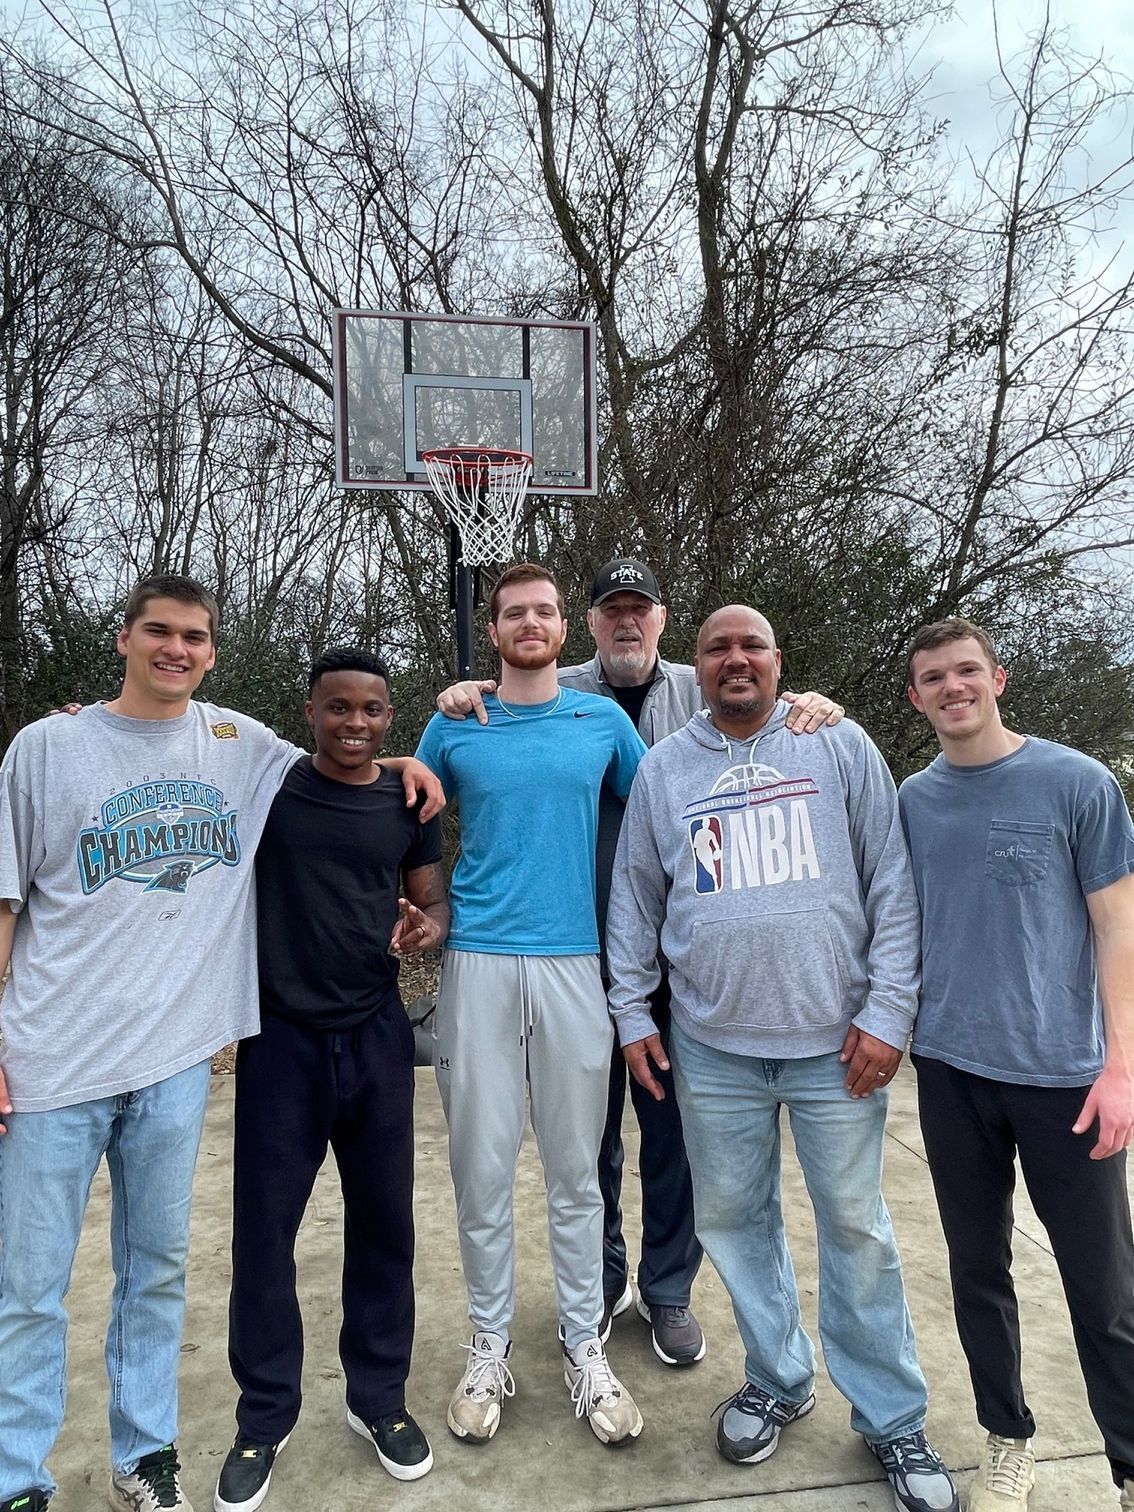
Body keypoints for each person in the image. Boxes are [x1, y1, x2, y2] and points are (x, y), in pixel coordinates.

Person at [0, 576, 441, 1512]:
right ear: (124, 639)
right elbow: (6, 901)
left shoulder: (238, 745)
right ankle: (24, 1477)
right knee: (34, 1288)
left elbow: (348, 747)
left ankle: (156, 1455)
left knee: (160, 1273)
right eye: (159, 632)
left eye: (193, 636)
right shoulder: (50, 748)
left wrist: (410, 760)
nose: (177, 648)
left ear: (212, 652)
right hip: (63, 1058)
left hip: (182, 1061)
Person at [436, 557, 842, 1367]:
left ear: (660, 619)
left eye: (641, 609)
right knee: (587, 1142)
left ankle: (666, 1290)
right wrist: (458, 695)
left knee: (671, 1135)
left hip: (671, 959)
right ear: (586, 623)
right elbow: (435, 787)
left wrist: (809, 704)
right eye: (610, 609)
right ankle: (602, 1280)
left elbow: (754, 704)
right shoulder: (545, 693)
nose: (626, 621)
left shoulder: (700, 685)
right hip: (575, 952)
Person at [606, 605, 959, 1512]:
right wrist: (631, 1016)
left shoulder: (836, 746)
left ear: (777, 659)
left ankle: (891, 1417)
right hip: (712, 1047)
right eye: (718, 647)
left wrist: (889, 1013)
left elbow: (892, 881)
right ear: (696, 665)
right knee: (735, 1222)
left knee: (856, 1230)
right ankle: (778, 1376)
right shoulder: (666, 769)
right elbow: (636, 902)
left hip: (835, 1045)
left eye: (751, 645)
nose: (736, 659)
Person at [901, 617, 1134, 1512]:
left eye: (967, 671)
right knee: (978, 1269)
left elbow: (1118, 926)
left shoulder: (1077, 782)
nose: (953, 688)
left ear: (998, 678)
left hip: (1066, 1078)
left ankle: (1128, 1464)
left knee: (1103, 1289)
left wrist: (1120, 1067)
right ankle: (1007, 1439)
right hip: (952, 1072)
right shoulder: (911, 800)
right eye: (934, 678)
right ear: (917, 698)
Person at [415, 563, 647, 1448]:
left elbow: (667, 803)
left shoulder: (603, 723)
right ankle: (489, 1343)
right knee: (481, 1167)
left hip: (574, 965)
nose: (529, 622)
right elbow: (403, 805)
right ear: (497, 628)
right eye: (514, 612)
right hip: (475, 960)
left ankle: (585, 1344)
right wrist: (421, 906)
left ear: (565, 626)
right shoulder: (456, 721)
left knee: (576, 1172)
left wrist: (804, 714)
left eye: (544, 610)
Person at [213, 649, 449, 1511]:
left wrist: (427, 925)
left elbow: (431, 900)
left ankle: (378, 1400)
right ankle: (263, 1416)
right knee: (264, 1236)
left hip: (377, 1035)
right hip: (280, 1042)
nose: (356, 724)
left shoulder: (409, 799)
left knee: (385, 1224)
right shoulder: (268, 787)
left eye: (374, 710)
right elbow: (175, 748)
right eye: (338, 708)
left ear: (392, 716)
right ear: (309, 710)